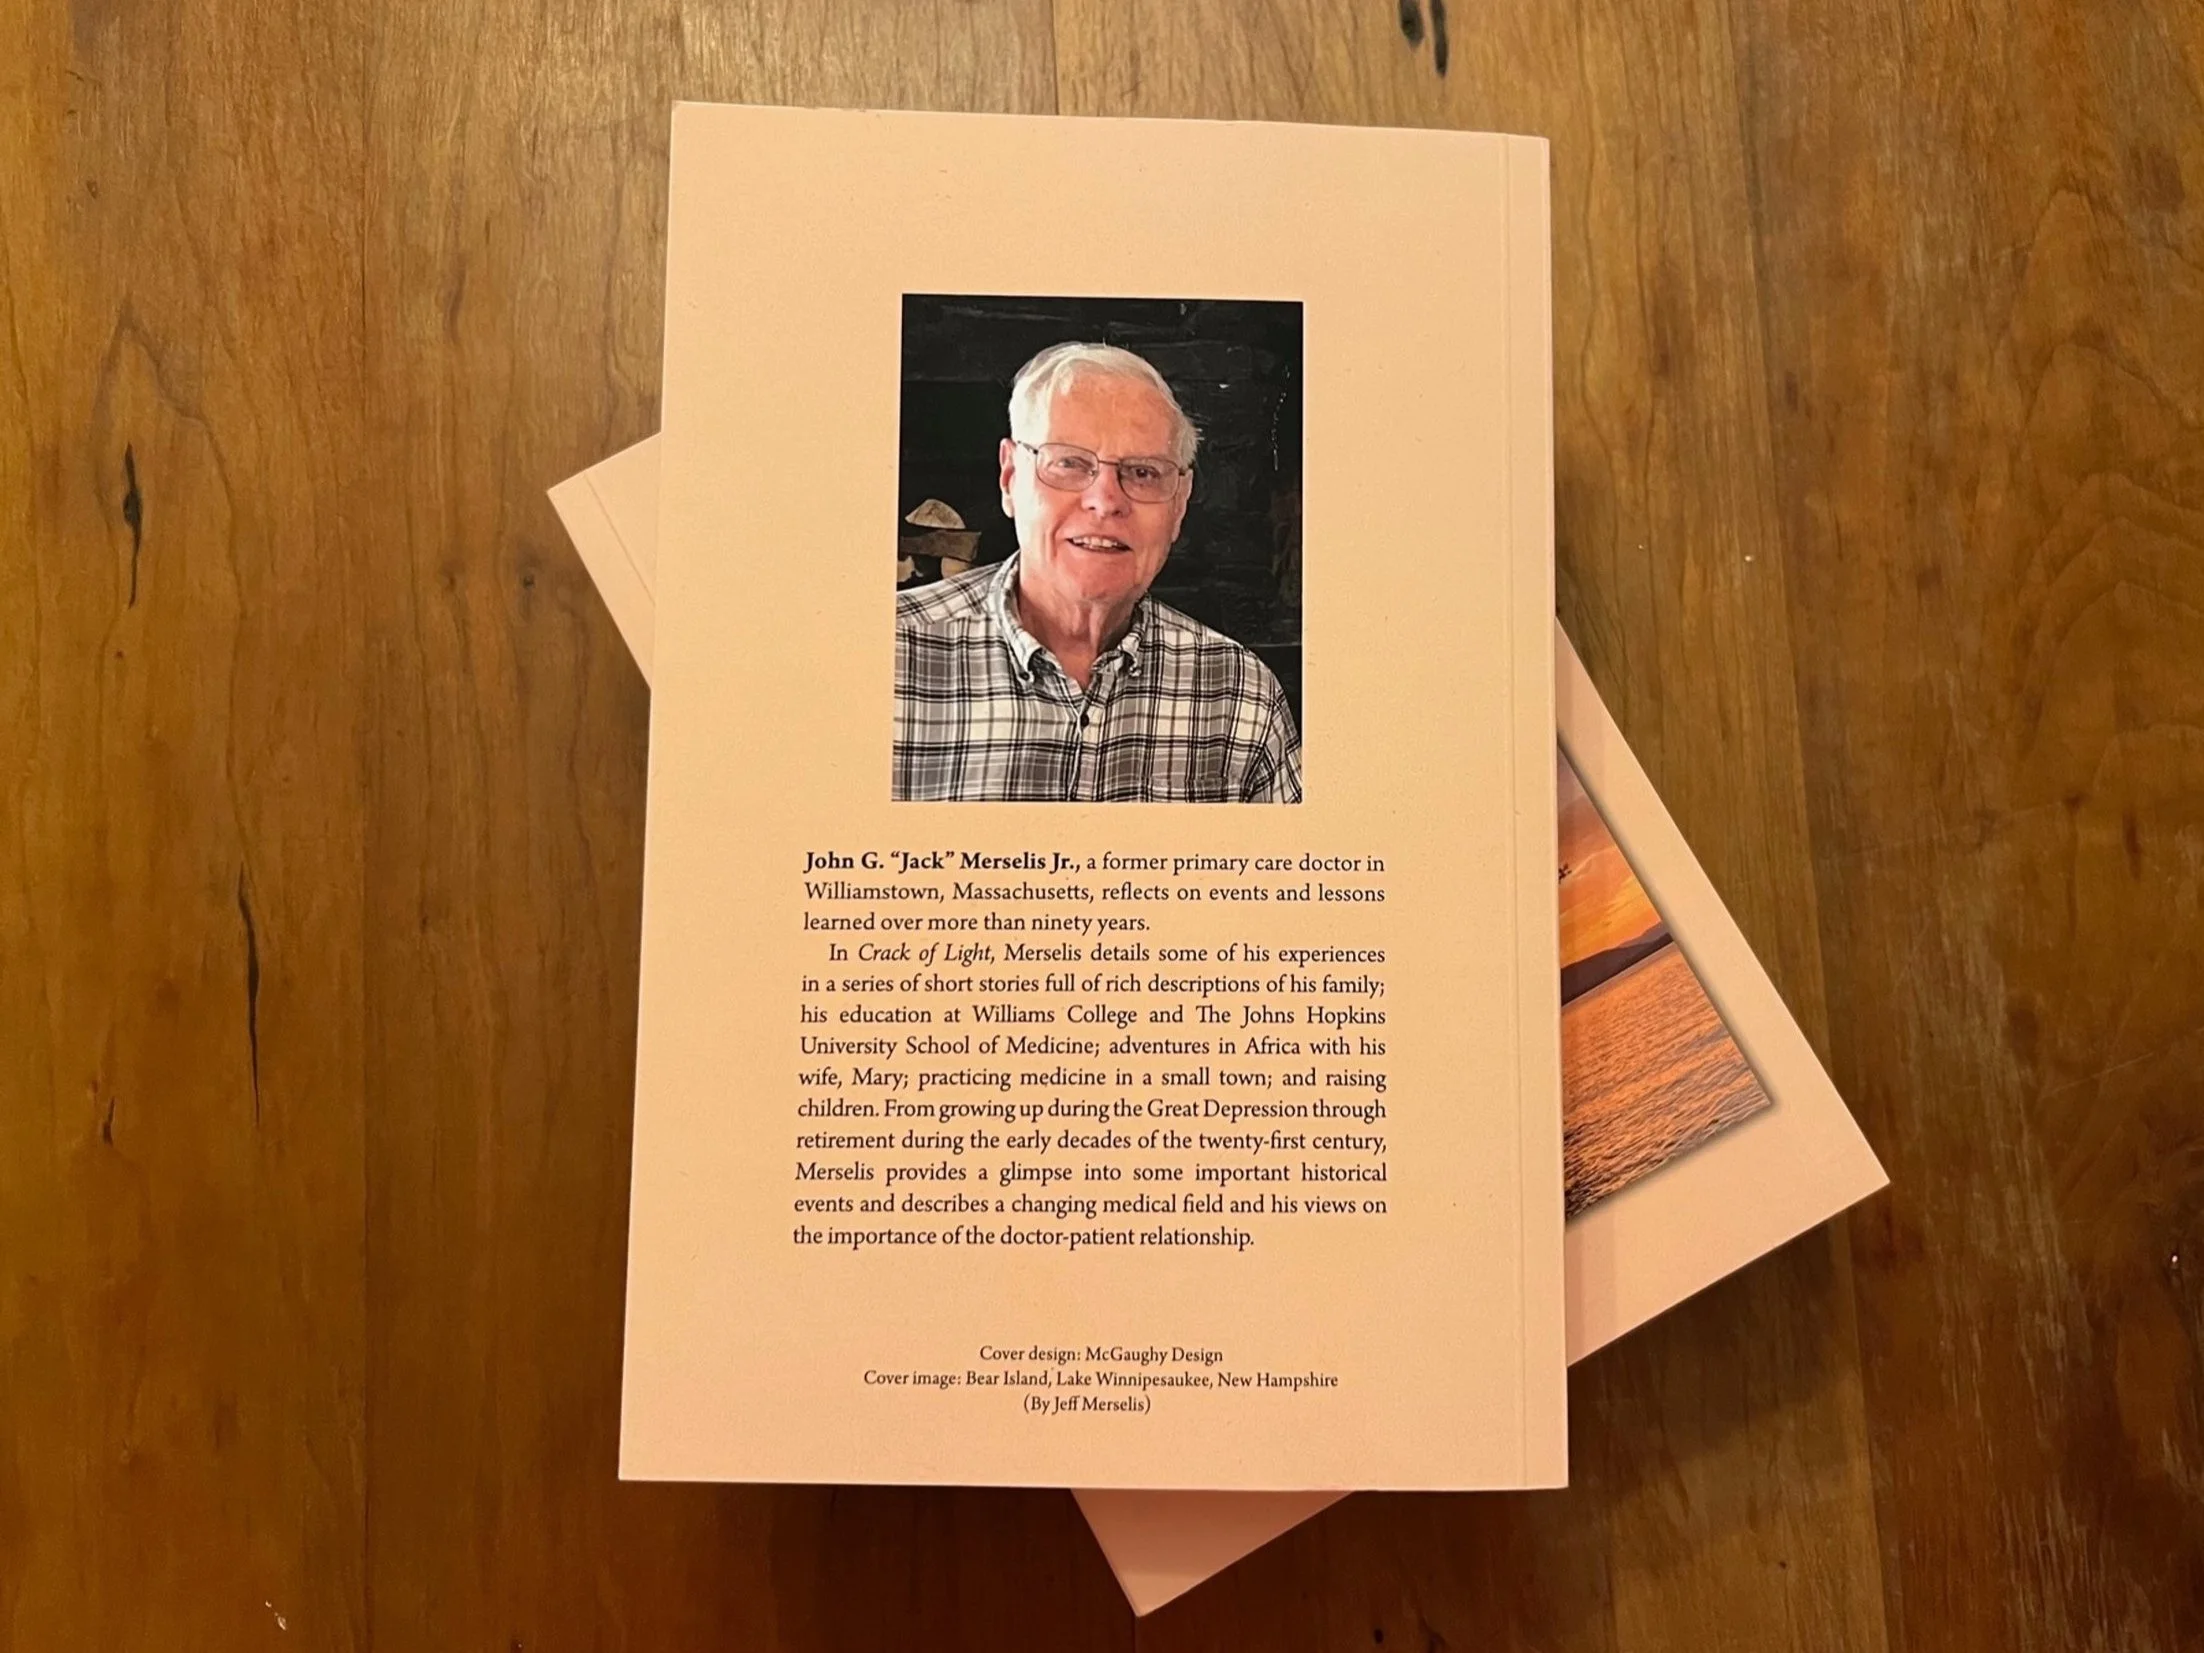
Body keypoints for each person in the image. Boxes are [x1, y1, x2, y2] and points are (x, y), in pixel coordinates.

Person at [893, 342, 1303, 802]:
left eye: (1143, 472)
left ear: (1180, 503)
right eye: (1069, 463)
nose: (1106, 502)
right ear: (1010, 479)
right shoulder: (889, 658)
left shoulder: (1241, 696)